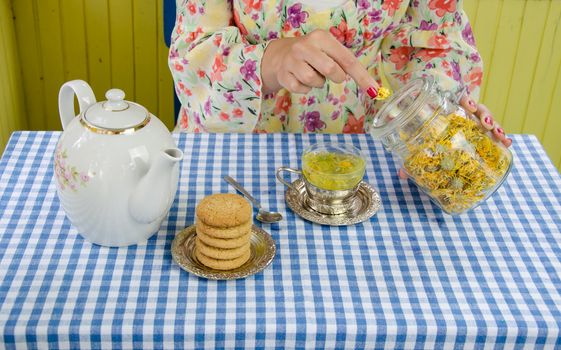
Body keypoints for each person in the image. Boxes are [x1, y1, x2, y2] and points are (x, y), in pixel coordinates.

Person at [168, 0, 511, 147]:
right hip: (234, 144)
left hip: (366, 146)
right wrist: (269, 61)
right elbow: (192, 54)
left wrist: (432, 119)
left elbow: (436, 39)